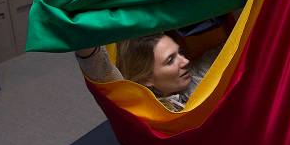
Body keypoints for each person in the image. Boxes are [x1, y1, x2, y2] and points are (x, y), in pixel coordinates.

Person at [74, 31, 218, 112]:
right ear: (145, 79)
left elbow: (238, 45)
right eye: (170, 60)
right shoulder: (142, 109)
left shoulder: (197, 73)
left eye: (179, 53)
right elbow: (101, 71)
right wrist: (78, 29)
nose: (185, 61)